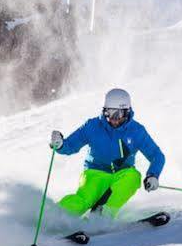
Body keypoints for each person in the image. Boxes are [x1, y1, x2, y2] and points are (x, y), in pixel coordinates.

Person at [49, 87, 165, 218]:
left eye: (118, 114)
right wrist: (60, 145)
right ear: (104, 111)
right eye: (109, 113)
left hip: (122, 174)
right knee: (84, 199)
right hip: (95, 174)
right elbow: (70, 146)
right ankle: (54, 215)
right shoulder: (92, 126)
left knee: (133, 177)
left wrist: (153, 175)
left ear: (127, 112)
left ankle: (103, 216)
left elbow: (157, 155)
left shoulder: (136, 131)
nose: (114, 119)